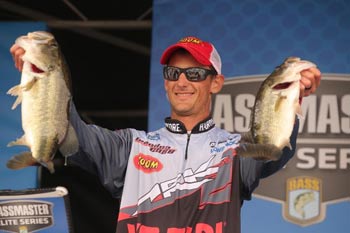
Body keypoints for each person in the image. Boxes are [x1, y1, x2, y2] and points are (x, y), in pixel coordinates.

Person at [10, 35, 321, 233]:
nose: (182, 81)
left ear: (215, 82)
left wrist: (293, 96)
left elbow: (273, 147)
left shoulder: (234, 151)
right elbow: (66, 132)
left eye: (195, 73)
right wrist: (44, 76)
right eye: (173, 73)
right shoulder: (132, 146)